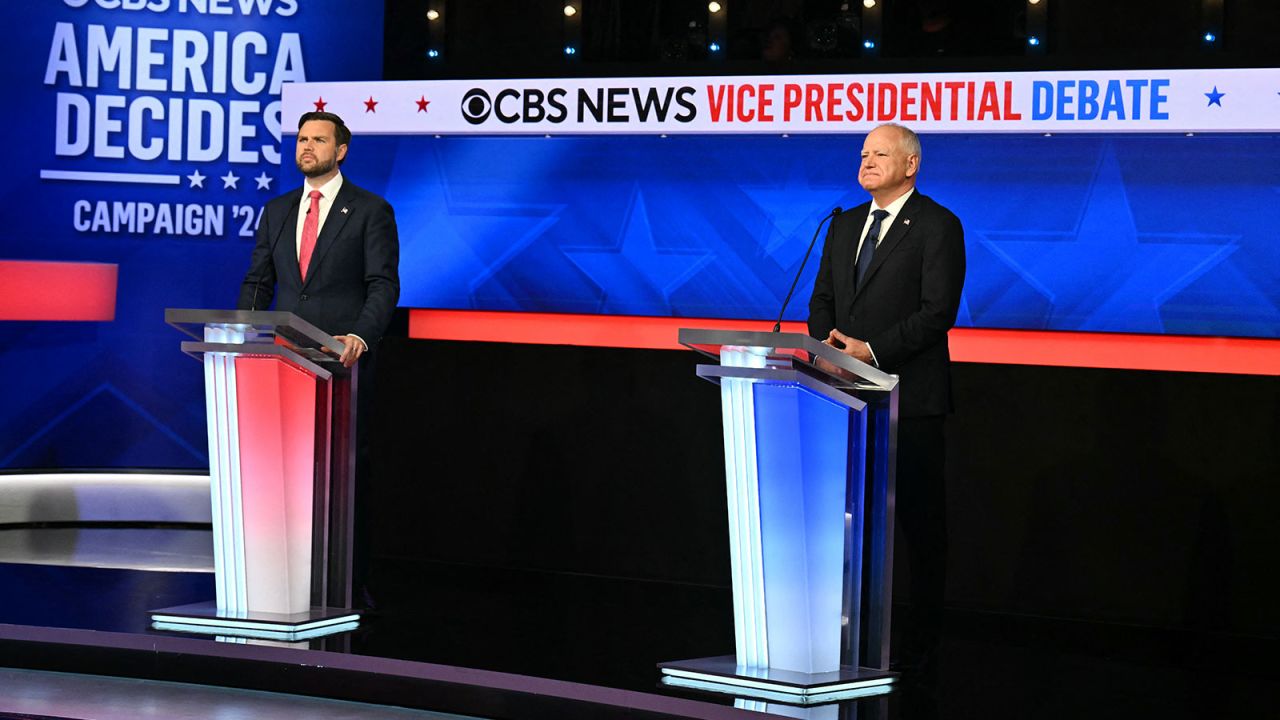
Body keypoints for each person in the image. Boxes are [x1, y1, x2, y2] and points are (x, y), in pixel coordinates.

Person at [807, 123, 965, 672]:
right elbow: (823, 298)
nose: (867, 161)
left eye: (880, 153)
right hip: (843, 397)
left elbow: (937, 312)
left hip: (910, 401)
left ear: (911, 164)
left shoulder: (938, 225)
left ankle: (922, 647)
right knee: (848, 522)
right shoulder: (844, 224)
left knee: (919, 528)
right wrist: (828, 345)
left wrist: (870, 350)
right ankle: (847, 634)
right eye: (863, 153)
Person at [238, 111, 400, 607]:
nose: (306, 147)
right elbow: (259, 281)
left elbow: (383, 284)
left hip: (338, 364)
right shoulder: (278, 209)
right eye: (302, 139)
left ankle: (347, 586)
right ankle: (280, 577)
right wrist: (242, 327)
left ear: (341, 150)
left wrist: (360, 336)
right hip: (281, 362)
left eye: (318, 140)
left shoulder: (370, 210)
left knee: (341, 476)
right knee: (284, 472)